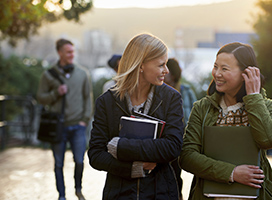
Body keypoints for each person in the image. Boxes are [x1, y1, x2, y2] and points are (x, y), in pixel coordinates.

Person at [179, 42, 272, 200]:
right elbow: (187, 157)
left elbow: (268, 141)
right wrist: (232, 173)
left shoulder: (267, 106)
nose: (217, 74)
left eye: (224, 69)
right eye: (215, 66)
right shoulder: (202, 108)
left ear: (245, 74)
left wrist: (254, 97)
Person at [88, 33, 184, 200]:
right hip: (118, 193)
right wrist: (134, 168)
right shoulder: (107, 101)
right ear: (140, 65)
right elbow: (96, 155)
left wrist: (121, 146)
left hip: (160, 192)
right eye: (161, 65)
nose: (166, 71)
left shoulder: (171, 98)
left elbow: (173, 147)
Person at [37, 38, 93, 200]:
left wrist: (85, 120)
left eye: (73, 51)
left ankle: (78, 188)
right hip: (58, 127)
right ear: (60, 53)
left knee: (80, 161)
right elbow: (41, 98)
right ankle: (61, 195)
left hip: (78, 126)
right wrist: (56, 93)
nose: (71, 55)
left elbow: (87, 99)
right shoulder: (48, 75)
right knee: (59, 164)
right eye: (68, 52)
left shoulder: (83, 74)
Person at [165, 58, 197, 200]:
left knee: (177, 174)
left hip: (182, 138)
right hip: (164, 139)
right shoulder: (157, 90)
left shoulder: (186, 91)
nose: (163, 73)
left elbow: (195, 115)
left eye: (167, 70)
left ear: (172, 74)